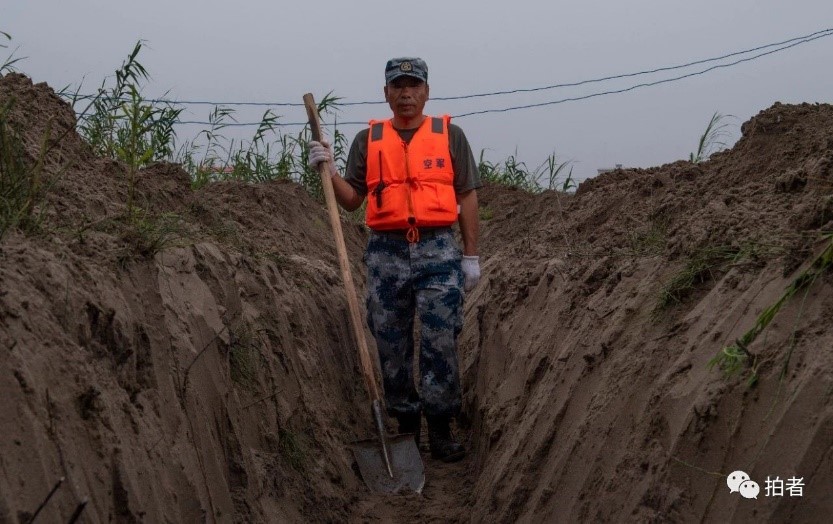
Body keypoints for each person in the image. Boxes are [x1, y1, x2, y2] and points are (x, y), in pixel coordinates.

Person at [308, 57, 481, 463]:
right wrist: (329, 169)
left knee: (440, 339)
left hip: (438, 248)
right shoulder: (368, 141)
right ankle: (406, 426)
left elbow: (468, 196)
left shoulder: (450, 136)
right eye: (397, 86)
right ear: (385, 93)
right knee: (391, 343)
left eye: (413, 85)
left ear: (426, 91)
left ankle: (440, 427)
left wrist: (470, 255)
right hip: (386, 251)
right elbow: (351, 201)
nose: (406, 93)